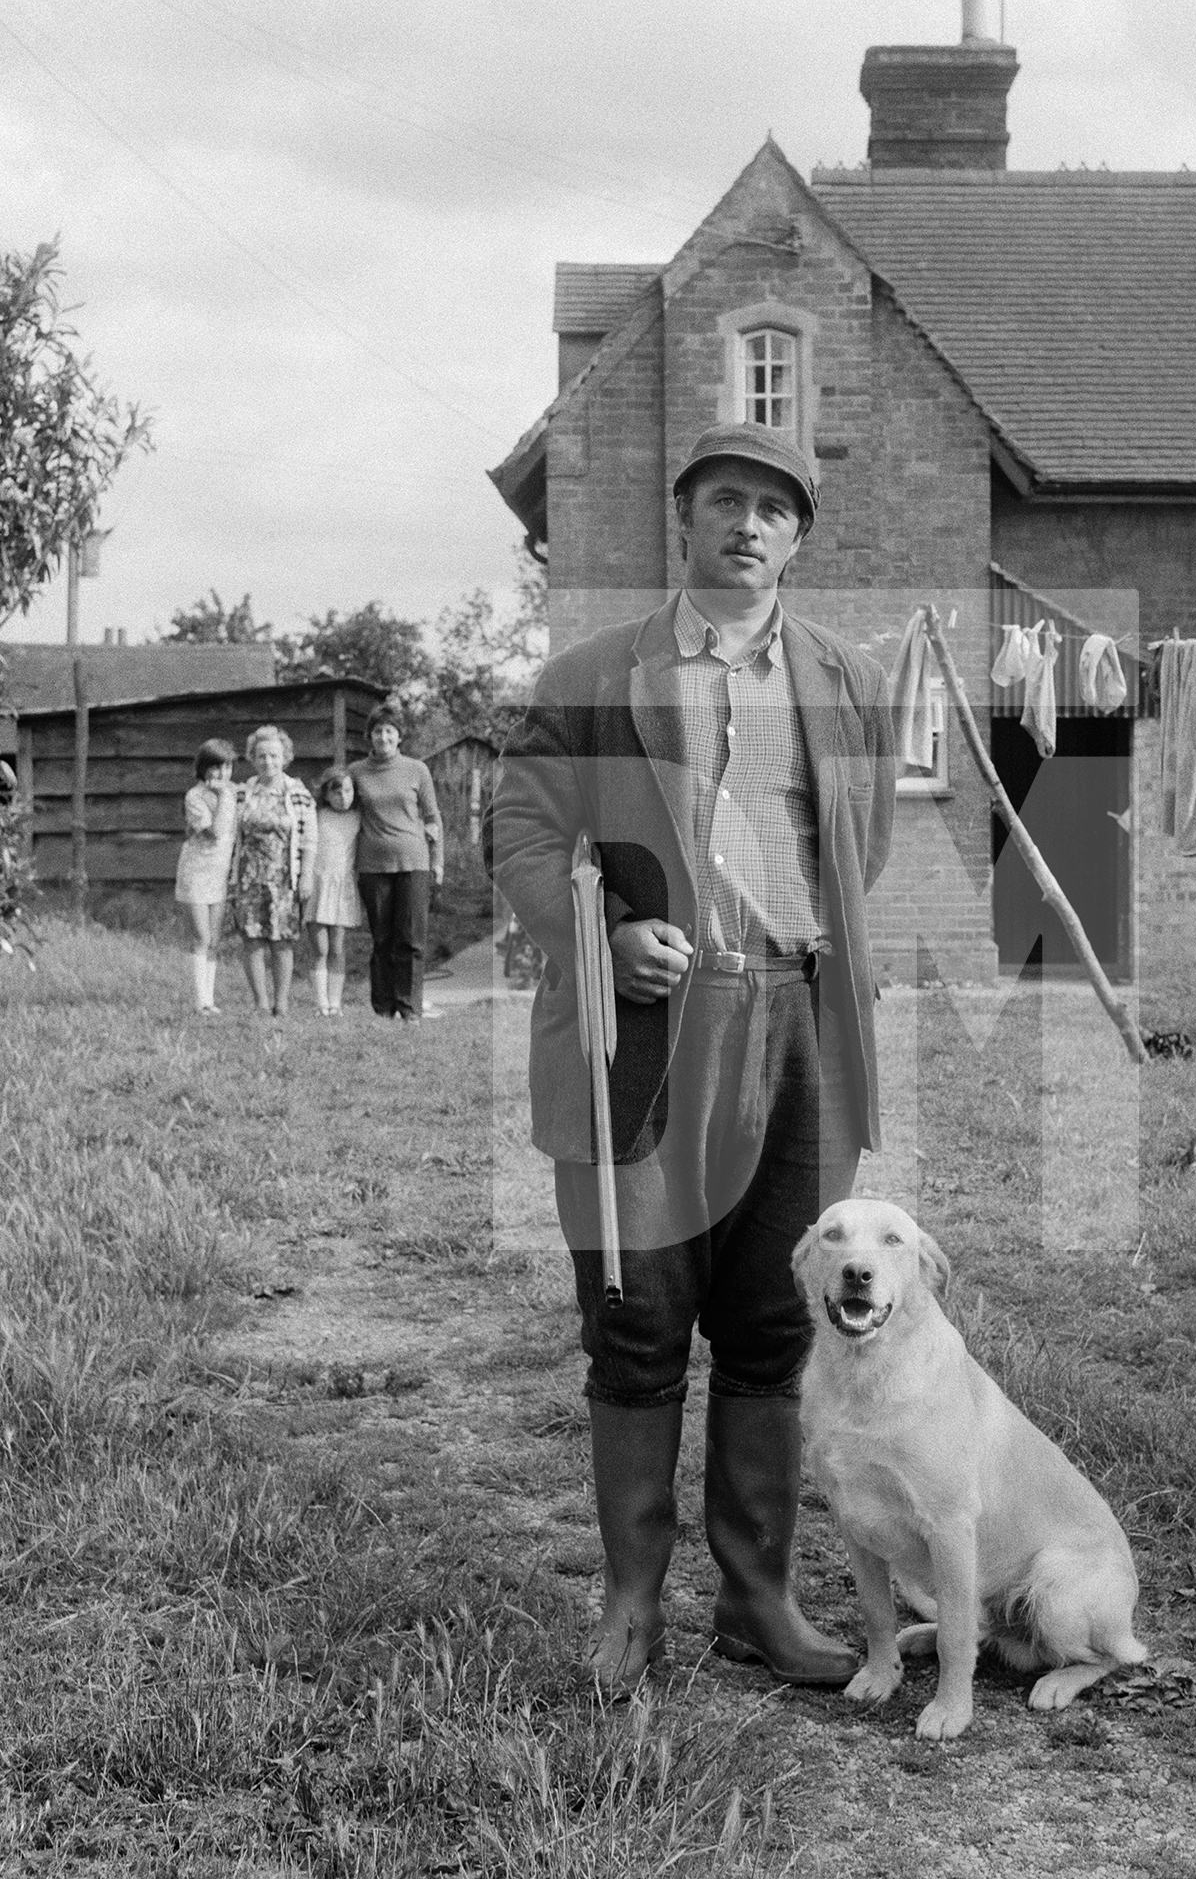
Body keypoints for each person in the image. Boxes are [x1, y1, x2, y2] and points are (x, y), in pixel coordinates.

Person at [487, 421, 895, 1694]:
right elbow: (520, 825)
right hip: (644, 1036)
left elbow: (858, 846)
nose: (749, 524)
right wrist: (605, 931)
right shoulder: (591, 678)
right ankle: (630, 1602)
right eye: (726, 500)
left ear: (799, 535)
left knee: (777, 1321)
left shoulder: (841, 678)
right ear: (687, 518)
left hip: (796, 1028)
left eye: (775, 508)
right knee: (640, 1316)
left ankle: (758, 1599)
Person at [350, 702, 444, 1021]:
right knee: (382, 939)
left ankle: (410, 1008)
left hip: (414, 862)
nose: (384, 737)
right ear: (369, 736)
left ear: (399, 736)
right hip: (373, 866)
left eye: (390, 731)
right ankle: (383, 1008)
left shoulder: (417, 769)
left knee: (411, 938)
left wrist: (438, 861)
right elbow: (343, 814)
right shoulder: (356, 772)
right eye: (378, 731)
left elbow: (433, 818)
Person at [227, 724, 318, 1017]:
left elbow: (309, 840)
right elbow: (230, 836)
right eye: (262, 756)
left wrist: (305, 877)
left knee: (282, 941)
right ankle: (261, 1004)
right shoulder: (242, 794)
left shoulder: (298, 794)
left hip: (284, 878)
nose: (268, 762)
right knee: (252, 940)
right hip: (249, 877)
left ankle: (282, 1002)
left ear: (285, 758)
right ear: (253, 758)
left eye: (274, 756)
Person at [173, 737, 238, 1013]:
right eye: (215, 768)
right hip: (197, 872)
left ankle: (211, 1001)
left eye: (226, 767)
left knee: (214, 939)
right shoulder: (195, 796)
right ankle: (201, 1001)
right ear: (203, 768)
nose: (221, 774)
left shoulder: (233, 792)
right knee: (201, 937)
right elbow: (215, 833)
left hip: (220, 873)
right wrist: (223, 796)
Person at [305, 766, 364, 1015]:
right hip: (318, 884)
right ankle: (321, 1004)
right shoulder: (317, 814)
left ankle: (335, 1003)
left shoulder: (358, 816)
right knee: (320, 948)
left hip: (342, 886)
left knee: (337, 949)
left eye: (348, 791)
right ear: (326, 794)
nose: (343, 797)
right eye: (336, 792)